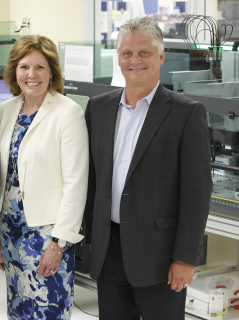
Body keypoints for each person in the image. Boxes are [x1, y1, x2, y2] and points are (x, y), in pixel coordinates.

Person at [84, 17, 212, 319]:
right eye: (127, 53)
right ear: (118, 58)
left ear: (161, 56)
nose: (135, 60)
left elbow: (196, 193)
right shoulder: (98, 108)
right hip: (108, 250)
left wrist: (185, 258)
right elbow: (91, 178)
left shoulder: (187, 113)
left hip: (160, 255)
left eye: (144, 52)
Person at [0, 35, 88, 320]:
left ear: (53, 72)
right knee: (18, 309)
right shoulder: (6, 111)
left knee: (48, 312)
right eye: (24, 67)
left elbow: (76, 184)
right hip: (11, 232)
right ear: (14, 72)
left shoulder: (68, 113)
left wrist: (59, 244)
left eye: (40, 67)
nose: (31, 75)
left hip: (47, 237)